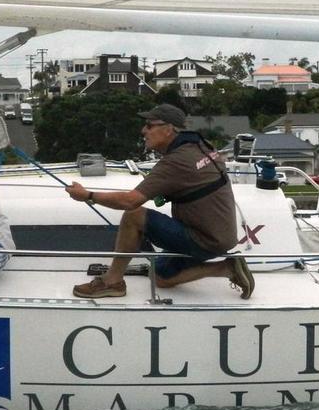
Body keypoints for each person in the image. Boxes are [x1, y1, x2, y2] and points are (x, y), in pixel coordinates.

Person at [66, 104, 253, 299]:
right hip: (220, 237)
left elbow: (131, 201)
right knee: (160, 277)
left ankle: (113, 282)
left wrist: (88, 196)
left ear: (169, 128)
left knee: (134, 215)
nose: (143, 130)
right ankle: (227, 268)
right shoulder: (201, 146)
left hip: (203, 239)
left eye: (149, 125)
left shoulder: (176, 161)